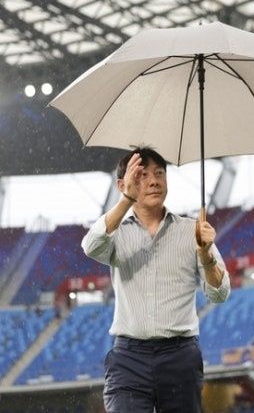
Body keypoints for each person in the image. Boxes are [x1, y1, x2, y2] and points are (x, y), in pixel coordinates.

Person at [81, 146, 230, 413]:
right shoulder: (115, 233)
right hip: (128, 358)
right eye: (142, 175)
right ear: (122, 184)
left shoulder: (193, 231)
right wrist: (127, 199)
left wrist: (205, 253)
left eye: (159, 173)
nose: (153, 181)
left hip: (180, 356)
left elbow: (219, 293)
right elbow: (90, 246)